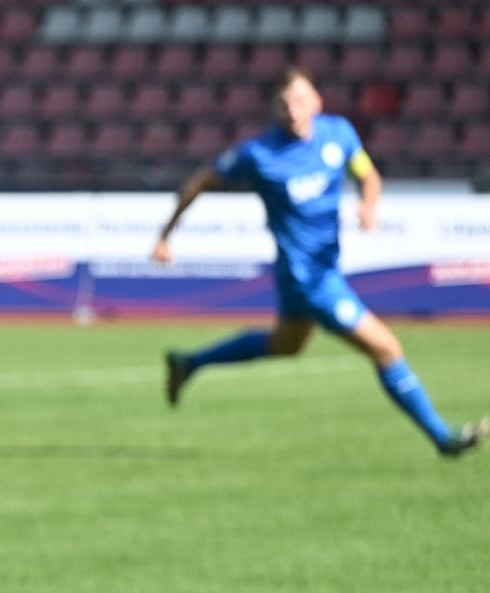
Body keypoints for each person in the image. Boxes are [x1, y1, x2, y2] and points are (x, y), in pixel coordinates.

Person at [154, 68, 484, 456]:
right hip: (308, 279)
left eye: (299, 101)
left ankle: (190, 362)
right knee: (386, 349)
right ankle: (443, 438)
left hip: (319, 271)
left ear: (316, 102)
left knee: (286, 345)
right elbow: (200, 182)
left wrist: (368, 206)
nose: (292, 111)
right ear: (273, 109)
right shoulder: (258, 155)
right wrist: (165, 235)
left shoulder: (338, 135)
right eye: (283, 104)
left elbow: (369, 176)